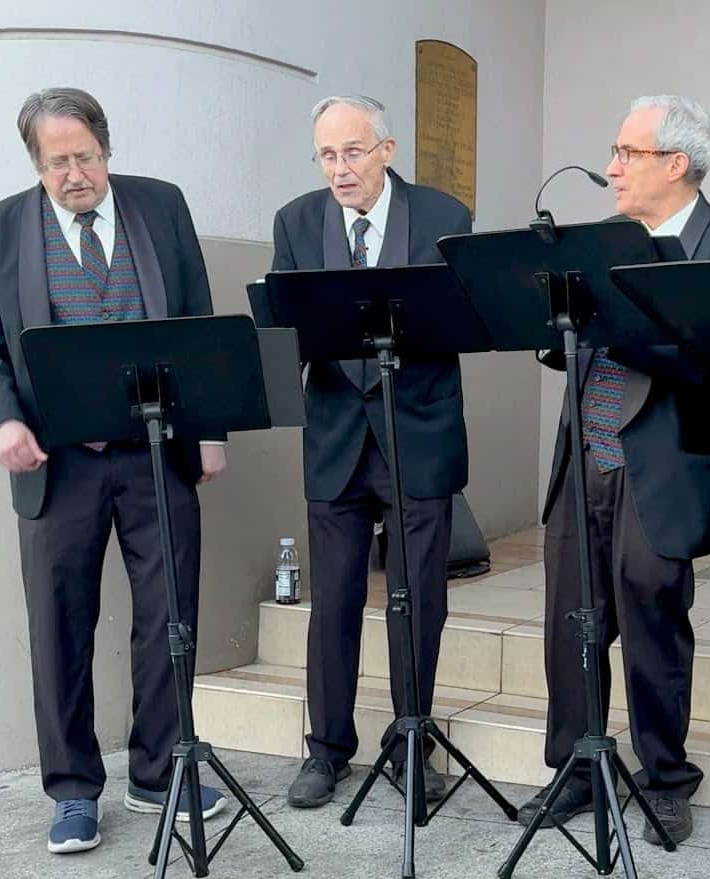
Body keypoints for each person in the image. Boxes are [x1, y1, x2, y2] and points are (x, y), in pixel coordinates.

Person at [0, 87, 227, 854]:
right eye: (57, 163)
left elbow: (200, 323)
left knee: (170, 615)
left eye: (84, 157)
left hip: (156, 451)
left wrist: (209, 431)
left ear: (106, 150)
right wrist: (3, 422)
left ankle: (158, 772)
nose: (74, 174)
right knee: (59, 626)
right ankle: (73, 789)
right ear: (35, 164)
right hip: (56, 462)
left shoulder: (161, 207)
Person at [520, 94, 710, 844]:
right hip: (585, 453)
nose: (612, 168)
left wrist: (614, 321)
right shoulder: (604, 241)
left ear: (676, 163)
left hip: (661, 465)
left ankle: (664, 778)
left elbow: (709, 362)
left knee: (653, 623)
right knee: (570, 619)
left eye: (627, 153)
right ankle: (574, 767)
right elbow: (564, 345)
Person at [272, 94, 472, 808]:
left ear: (387, 150)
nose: (339, 169)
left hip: (417, 429)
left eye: (352, 152)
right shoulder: (296, 222)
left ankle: (411, 742)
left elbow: (459, 322)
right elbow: (286, 333)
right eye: (327, 155)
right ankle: (326, 750)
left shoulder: (444, 216)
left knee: (418, 598)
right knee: (333, 600)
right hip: (334, 438)